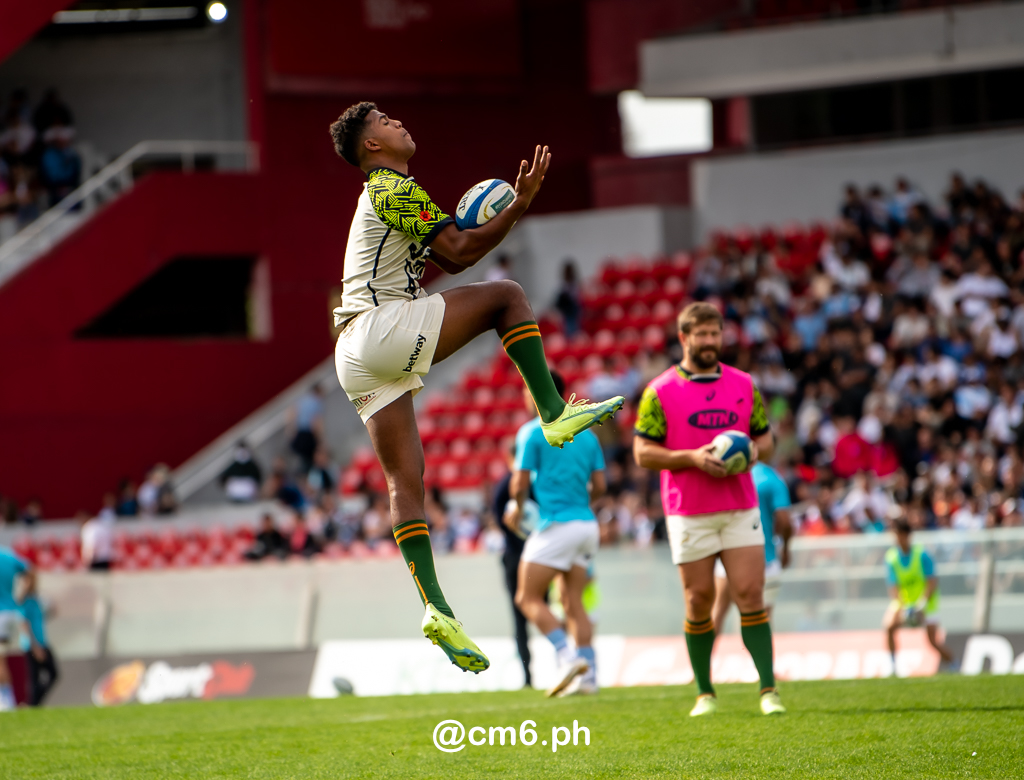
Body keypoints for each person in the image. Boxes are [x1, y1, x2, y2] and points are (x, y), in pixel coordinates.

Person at [327, 101, 624, 674]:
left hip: (354, 355)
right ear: (372, 146)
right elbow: (463, 252)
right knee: (508, 296)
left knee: (404, 482)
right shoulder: (389, 185)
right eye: (386, 121)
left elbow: (454, 250)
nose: (398, 122)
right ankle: (554, 411)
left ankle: (437, 610)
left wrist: (502, 215)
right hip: (377, 328)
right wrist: (523, 205)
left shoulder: (392, 193)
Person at [633, 302, 784, 717]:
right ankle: (704, 693)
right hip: (688, 510)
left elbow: (767, 441)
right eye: (700, 335)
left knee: (751, 594)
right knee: (698, 601)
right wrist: (692, 459)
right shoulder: (659, 391)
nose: (709, 342)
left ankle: (768, 690)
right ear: (684, 338)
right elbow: (642, 453)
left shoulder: (744, 385)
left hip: (739, 505)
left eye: (714, 334)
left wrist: (753, 451)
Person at [508, 371, 606, 697]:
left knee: (526, 596)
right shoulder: (587, 434)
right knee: (573, 601)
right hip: (586, 525)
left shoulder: (532, 432)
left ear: (537, 391)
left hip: (556, 525)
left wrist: (516, 511)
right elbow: (602, 487)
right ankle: (589, 678)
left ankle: (567, 658)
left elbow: (520, 483)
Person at [712, 461, 792, 632]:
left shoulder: (727, 473)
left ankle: (704, 658)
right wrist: (785, 549)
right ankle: (759, 659)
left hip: (728, 556)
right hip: (765, 559)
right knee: (762, 619)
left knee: (718, 611)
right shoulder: (772, 478)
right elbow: (785, 520)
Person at [884, 519, 956, 673]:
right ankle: (892, 666)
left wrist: (921, 604)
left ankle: (954, 664)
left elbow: (932, 581)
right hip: (904, 604)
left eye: (899, 535)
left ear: (907, 535)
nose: (896, 538)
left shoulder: (922, 554)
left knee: (932, 642)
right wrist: (903, 607)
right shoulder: (891, 557)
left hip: (927, 604)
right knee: (889, 626)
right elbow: (893, 586)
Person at [490, 441, 534, 687]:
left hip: (514, 559)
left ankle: (528, 676)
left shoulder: (502, 487)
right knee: (548, 610)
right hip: (539, 557)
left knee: (519, 620)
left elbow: (499, 521)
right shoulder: (533, 482)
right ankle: (566, 660)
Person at [0, 545, 37, 711]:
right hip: (9, 612)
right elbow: (30, 570)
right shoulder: (8, 556)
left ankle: (7, 703)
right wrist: (23, 595)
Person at [19, 569, 57, 706]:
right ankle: (32, 704)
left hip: (42, 641)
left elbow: (48, 614)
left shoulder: (37, 599)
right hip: (32, 645)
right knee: (35, 678)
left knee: (53, 674)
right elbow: (24, 625)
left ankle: (33, 704)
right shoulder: (25, 601)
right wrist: (35, 646)